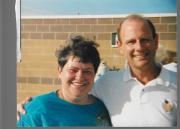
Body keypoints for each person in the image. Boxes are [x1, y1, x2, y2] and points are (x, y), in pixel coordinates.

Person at [17, 14, 177, 127]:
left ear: (156, 42)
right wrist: (25, 107)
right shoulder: (37, 110)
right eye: (131, 41)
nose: (139, 47)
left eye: (145, 40)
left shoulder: (100, 102)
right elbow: (68, 94)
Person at [17, 35, 111, 127]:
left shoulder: (103, 109)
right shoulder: (36, 110)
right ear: (60, 71)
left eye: (87, 71)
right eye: (73, 70)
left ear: (94, 74)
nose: (80, 77)